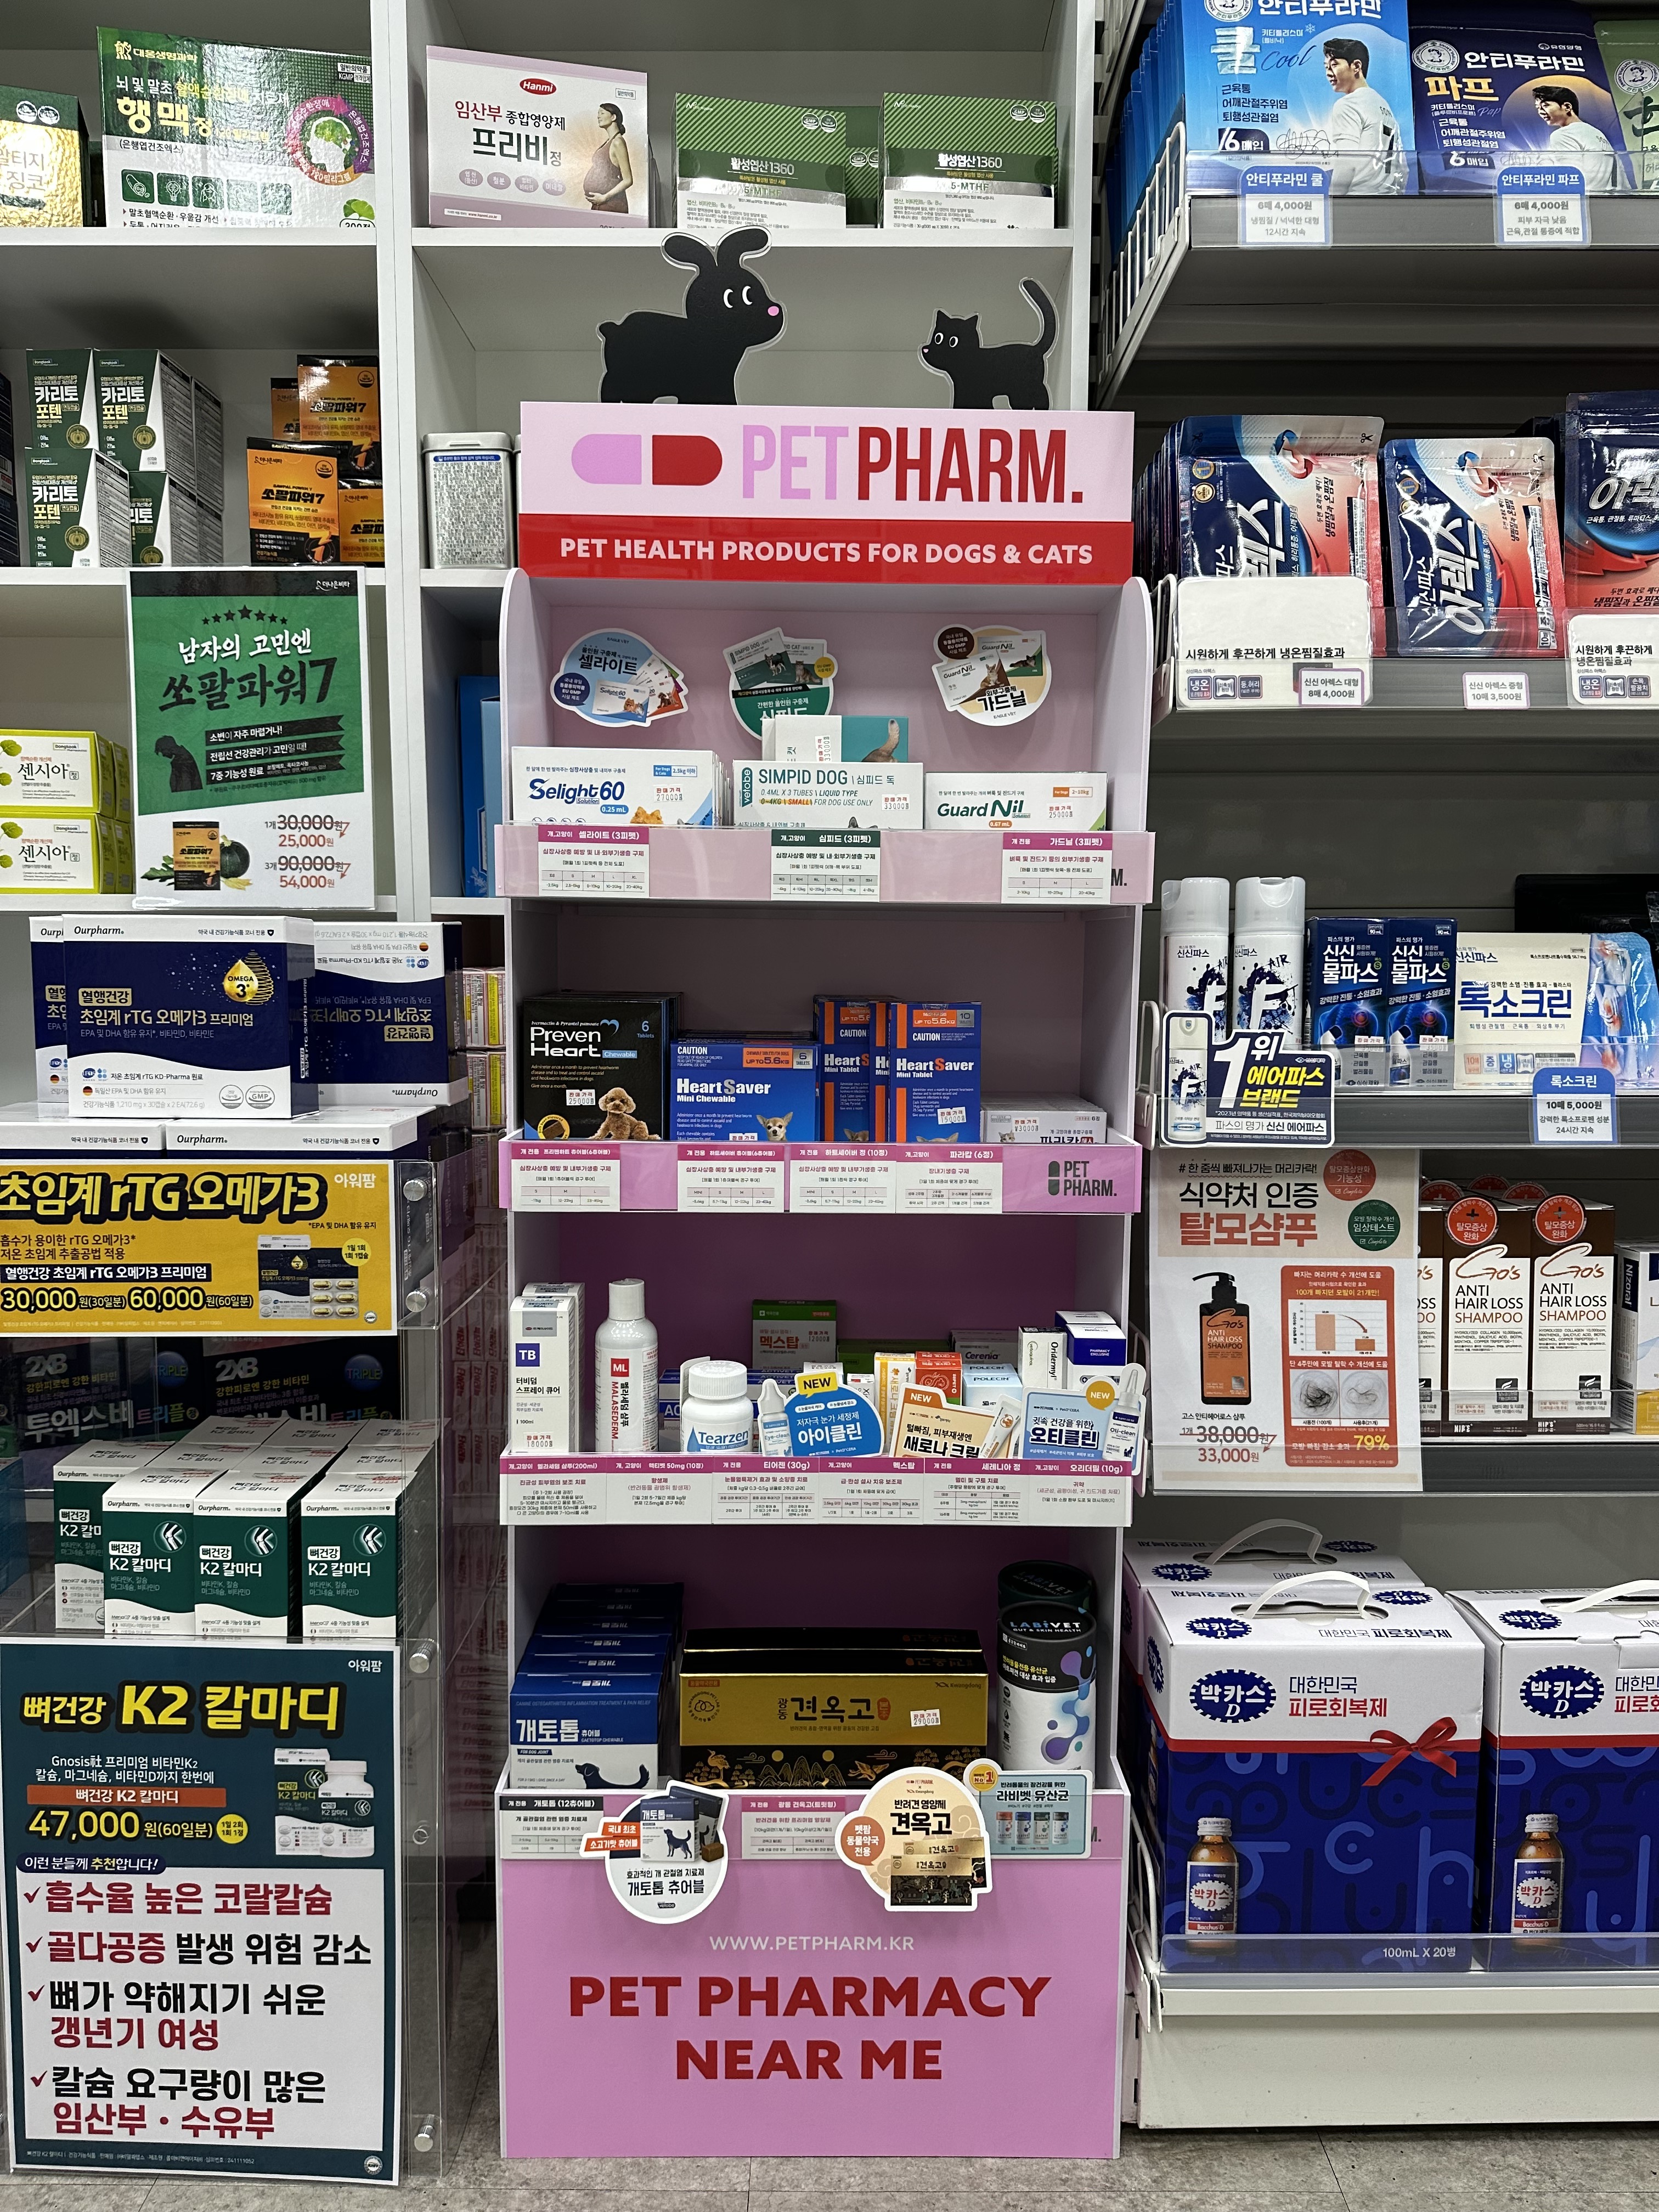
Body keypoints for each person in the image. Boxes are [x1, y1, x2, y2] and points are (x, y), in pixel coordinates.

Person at [1323, 38, 1404, 195]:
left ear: (1356, 66)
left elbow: (1347, 163)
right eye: (1327, 67)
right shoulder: (1384, 106)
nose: (1328, 72)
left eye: (1334, 65)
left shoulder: (1348, 104)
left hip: (1357, 199)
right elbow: (1403, 168)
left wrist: (1332, 202)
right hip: (1389, 199)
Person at [1533, 85, 1622, 193]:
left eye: (1545, 106)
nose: (1541, 112)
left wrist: (1545, 165)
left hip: (1583, 199)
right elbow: (1621, 177)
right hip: (1610, 198)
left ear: (1567, 107)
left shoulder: (1562, 134)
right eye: (1538, 108)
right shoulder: (1597, 133)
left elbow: (1569, 179)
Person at [584, 102, 633, 215]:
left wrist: (605, 197)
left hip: (611, 204)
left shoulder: (618, 142)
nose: (598, 117)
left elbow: (628, 180)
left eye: (602, 113)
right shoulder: (608, 142)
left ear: (613, 117)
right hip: (601, 203)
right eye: (598, 114)